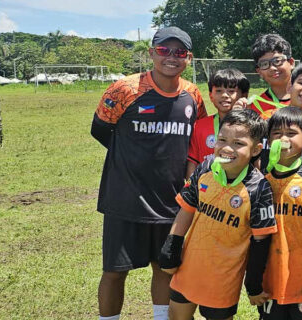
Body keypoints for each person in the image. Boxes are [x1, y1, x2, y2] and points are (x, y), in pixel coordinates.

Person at [90, 26, 205, 320]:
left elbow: (198, 137)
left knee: (165, 267)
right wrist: (133, 160)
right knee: (115, 272)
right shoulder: (124, 89)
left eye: (180, 52)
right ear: (152, 53)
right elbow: (101, 130)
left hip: (172, 200)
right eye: (164, 50)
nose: (171, 57)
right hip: (125, 198)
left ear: (189, 58)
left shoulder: (193, 94)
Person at [158, 109, 275, 320]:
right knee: (176, 316)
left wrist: (253, 283)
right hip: (190, 265)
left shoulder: (259, 188)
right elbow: (186, 209)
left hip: (224, 275)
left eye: (238, 144)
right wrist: (172, 245)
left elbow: (261, 240)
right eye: (221, 140)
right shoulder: (205, 168)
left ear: (256, 149)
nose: (227, 148)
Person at [258, 107, 302, 320]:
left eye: (291, 133)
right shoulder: (261, 180)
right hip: (270, 279)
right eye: (276, 134)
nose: (283, 139)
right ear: (268, 140)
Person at [187, 69, 250, 179]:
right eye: (219, 91)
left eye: (231, 91)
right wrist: (192, 189)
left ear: (243, 95)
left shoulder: (250, 126)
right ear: (211, 96)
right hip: (206, 189)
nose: (225, 95)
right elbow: (193, 162)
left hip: (240, 189)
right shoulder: (199, 126)